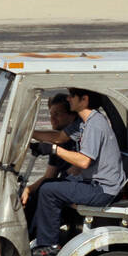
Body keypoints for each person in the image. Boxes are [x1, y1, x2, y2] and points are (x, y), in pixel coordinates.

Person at [29, 88, 125, 256]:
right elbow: (59, 137)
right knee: (47, 185)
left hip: (102, 189)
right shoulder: (84, 122)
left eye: (72, 96)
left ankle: (48, 247)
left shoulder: (94, 125)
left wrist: (53, 150)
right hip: (92, 184)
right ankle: (35, 239)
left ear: (84, 100)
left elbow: (83, 162)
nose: (68, 98)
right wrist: (28, 133)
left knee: (49, 191)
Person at [22, 93, 82, 236]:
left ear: (71, 116)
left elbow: (78, 168)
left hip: (77, 185)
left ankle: (45, 243)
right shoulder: (59, 143)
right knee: (32, 196)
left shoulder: (77, 138)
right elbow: (49, 175)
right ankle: (28, 237)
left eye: (58, 114)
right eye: (51, 114)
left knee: (46, 191)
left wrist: (27, 132)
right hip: (66, 185)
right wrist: (28, 189)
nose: (52, 119)